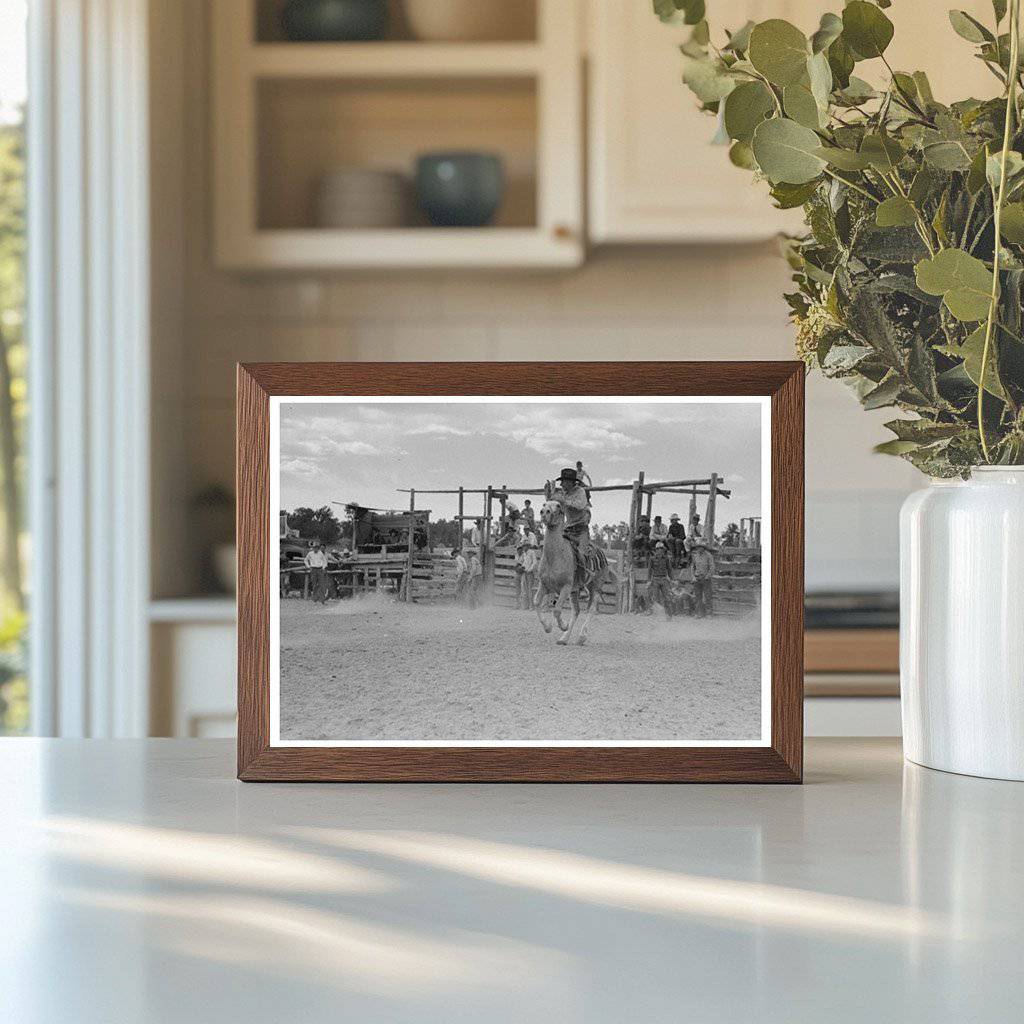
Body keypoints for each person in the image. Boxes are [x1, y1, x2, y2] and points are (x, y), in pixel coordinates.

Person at [549, 467, 592, 557]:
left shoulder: (580, 491)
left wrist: (563, 501)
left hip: (581, 530)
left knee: (582, 555)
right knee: (554, 549)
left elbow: (579, 506)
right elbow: (555, 508)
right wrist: (551, 495)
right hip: (567, 529)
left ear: (570, 482)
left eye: (563, 482)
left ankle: (584, 569)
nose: (561, 484)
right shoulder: (563, 494)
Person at [646, 540, 674, 619]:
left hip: (664, 579)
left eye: (661, 549)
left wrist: (672, 579)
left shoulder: (666, 559)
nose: (660, 551)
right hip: (655, 579)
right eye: (658, 549)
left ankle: (669, 615)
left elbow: (669, 569)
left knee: (667, 597)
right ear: (656, 550)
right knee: (656, 598)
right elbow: (649, 570)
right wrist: (648, 580)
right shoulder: (652, 559)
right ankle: (658, 615)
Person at [691, 539, 715, 618]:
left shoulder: (708, 555)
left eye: (701, 547)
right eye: (698, 547)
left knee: (708, 596)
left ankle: (709, 613)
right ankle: (699, 613)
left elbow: (712, 567)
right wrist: (693, 576)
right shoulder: (695, 555)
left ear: (704, 547)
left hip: (706, 578)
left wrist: (708, 576)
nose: (699, 549)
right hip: (697, 578)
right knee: (697, 597)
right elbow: (692, 567)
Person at [520, 541, 539, 609]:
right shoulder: (524, 553)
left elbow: (535, 562)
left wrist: (530, 569)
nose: (524, 547)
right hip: (524, 572)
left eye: (525, 546)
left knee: (530, 589)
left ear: (528, 546)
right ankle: (526, 605)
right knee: (524, 589)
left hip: (530, 573)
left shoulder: (532, 552)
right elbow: (523, 562)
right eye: (523, 546)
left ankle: (531, 605)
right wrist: (522, 567)